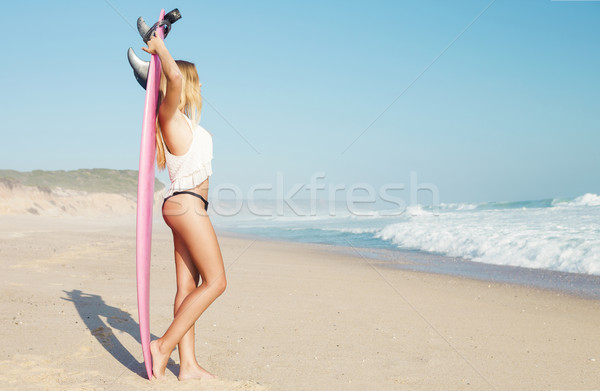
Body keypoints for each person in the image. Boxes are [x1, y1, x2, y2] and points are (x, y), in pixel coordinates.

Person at [141, 31, 226, 381]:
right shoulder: (169, 116)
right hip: (187, 205)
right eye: (199, 80)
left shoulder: (185, 123)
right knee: (217, 282)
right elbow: (173, 76)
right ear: (187, 81)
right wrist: (160, 48)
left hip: (185, 205)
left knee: (187, 288)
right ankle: (163, 346)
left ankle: (187, 365)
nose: (202, 84)